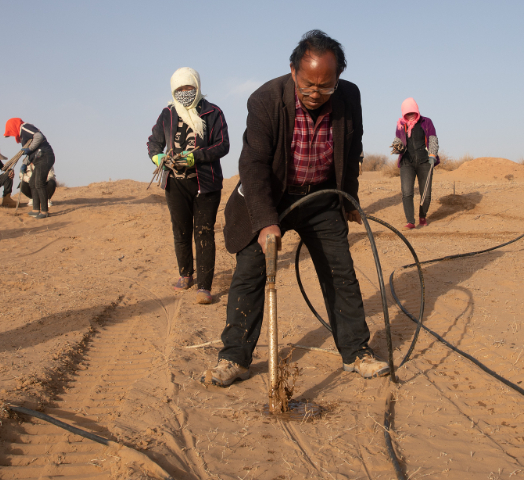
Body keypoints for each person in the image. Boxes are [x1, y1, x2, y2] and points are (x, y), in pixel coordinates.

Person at [202, 30, 390, 387]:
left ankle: (356, 351)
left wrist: (349, 196)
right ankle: (234, 358)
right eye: (308, 86)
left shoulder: (349, 97)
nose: (316, 94)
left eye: (326, 86)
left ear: (338, 78)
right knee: (252, 270)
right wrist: (266, 222)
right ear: (293, 72)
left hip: (320, 195)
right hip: (270, 195)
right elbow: (253, 166)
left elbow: (352, 149)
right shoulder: (266, 100)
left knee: (341, 272)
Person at [147, 67, 229, 304]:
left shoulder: (213, 112)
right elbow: (154, 142)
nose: (185, 92)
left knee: (203, 232)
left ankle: (204, 286)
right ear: (174, 90)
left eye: (189, 88)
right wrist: (158, 158)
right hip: (175, 183)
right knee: (180, 230)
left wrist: (197, 157)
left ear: (197, 86)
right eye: (180, 89)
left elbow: (223, 145)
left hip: (206, 183)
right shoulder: (168, 113)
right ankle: (186, 274)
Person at [392, 98, 439, 229]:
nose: (410, 115)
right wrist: (397, 147)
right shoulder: (400, 124)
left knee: (426, 193)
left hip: (425, 161)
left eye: (412, 111)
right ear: (403, 113)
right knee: (407, 192)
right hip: (407, 162)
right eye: (407, 113)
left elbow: (433, 139)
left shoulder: (426, 122)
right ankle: (410, 221)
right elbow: (397, 140)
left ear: (417, 111)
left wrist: (433, 155)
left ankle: (422, 215)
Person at [4, 118, 55, 219]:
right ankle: (35, 209)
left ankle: (44, 211)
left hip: (44, 156)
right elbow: (30, 153)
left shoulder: (24, 127)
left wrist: (30, 149)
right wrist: (25, 163)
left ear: (13, 126)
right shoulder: (23, 136)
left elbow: (38, 136)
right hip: (38, 158)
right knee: (32, 182)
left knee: (39, 183)